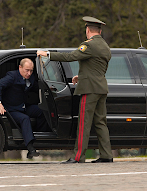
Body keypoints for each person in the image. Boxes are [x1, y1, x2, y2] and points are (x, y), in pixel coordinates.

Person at [37, 16, 113, 163]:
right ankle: (106, 155)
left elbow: (70, 56)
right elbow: (99, 68)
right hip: (101, 87)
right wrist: (82, 75)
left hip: (89, 89)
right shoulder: (105, 46)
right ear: (100, 31)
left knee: (84, 123)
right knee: (101, 123)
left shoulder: (88, 45)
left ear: (88, 30)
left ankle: (78, 157)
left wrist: (47, 54)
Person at [0, 58, 49, 159]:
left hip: (23, 107)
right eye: (26, 70)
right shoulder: (12, 76)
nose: (29, 73)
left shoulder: (31, 78)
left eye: (31, 71)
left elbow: (38, 87)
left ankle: (38, 136)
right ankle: (31, 148)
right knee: (25, 119)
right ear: (20, 67)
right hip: (11, 109)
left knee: (42, 110)